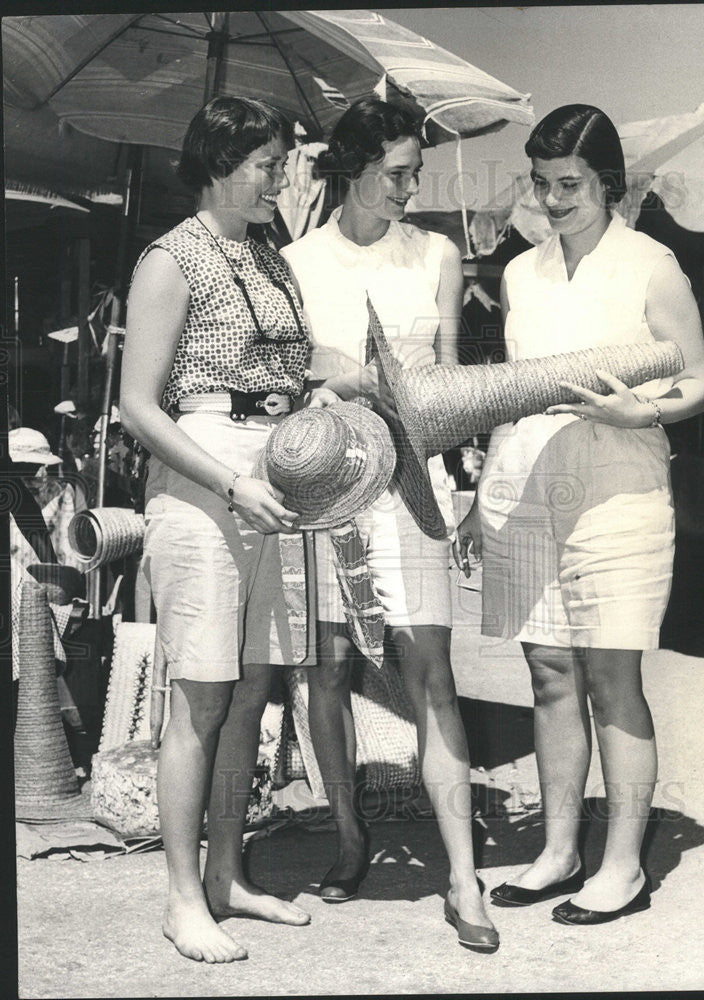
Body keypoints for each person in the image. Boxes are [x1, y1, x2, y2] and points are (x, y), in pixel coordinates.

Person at [455, 105, 704, 925]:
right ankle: (559, 849)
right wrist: (479, 497)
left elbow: (700, 380)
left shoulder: (650, 265)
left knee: (611, 676)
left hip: (620, 490)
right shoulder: (520, 274)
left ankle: (622, 865)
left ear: (607, 183)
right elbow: (514, 393)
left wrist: (645, 415)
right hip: (529, 489)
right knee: (548, 674)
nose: (554, 199)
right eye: (541, 184)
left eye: (569, 184)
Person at [120, 96, 336, 963]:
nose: (278, 178)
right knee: (201, 694)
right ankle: (181, 897)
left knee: (252, 691)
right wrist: (230, 481)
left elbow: (289, 365)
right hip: (204, 471)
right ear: (218, 161)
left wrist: (326, 389)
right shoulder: (171, 257)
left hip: (272, 472)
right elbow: (138, 404)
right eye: (264, 164)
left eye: (282, 163)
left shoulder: (271, 256)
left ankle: (227, 877)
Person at [281, 97, 498, 952]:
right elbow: (288, 379)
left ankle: (462, 876)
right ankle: (347, 834)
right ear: (355, 165)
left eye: (417, 172)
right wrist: (329, 377)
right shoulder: (294, 261)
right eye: (399, 172)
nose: (411, 188)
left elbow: (448, 377)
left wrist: (458, 468)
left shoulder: (437, 254)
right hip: (326, 487)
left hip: (413, 487)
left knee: (430, 673)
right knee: (326, 673)